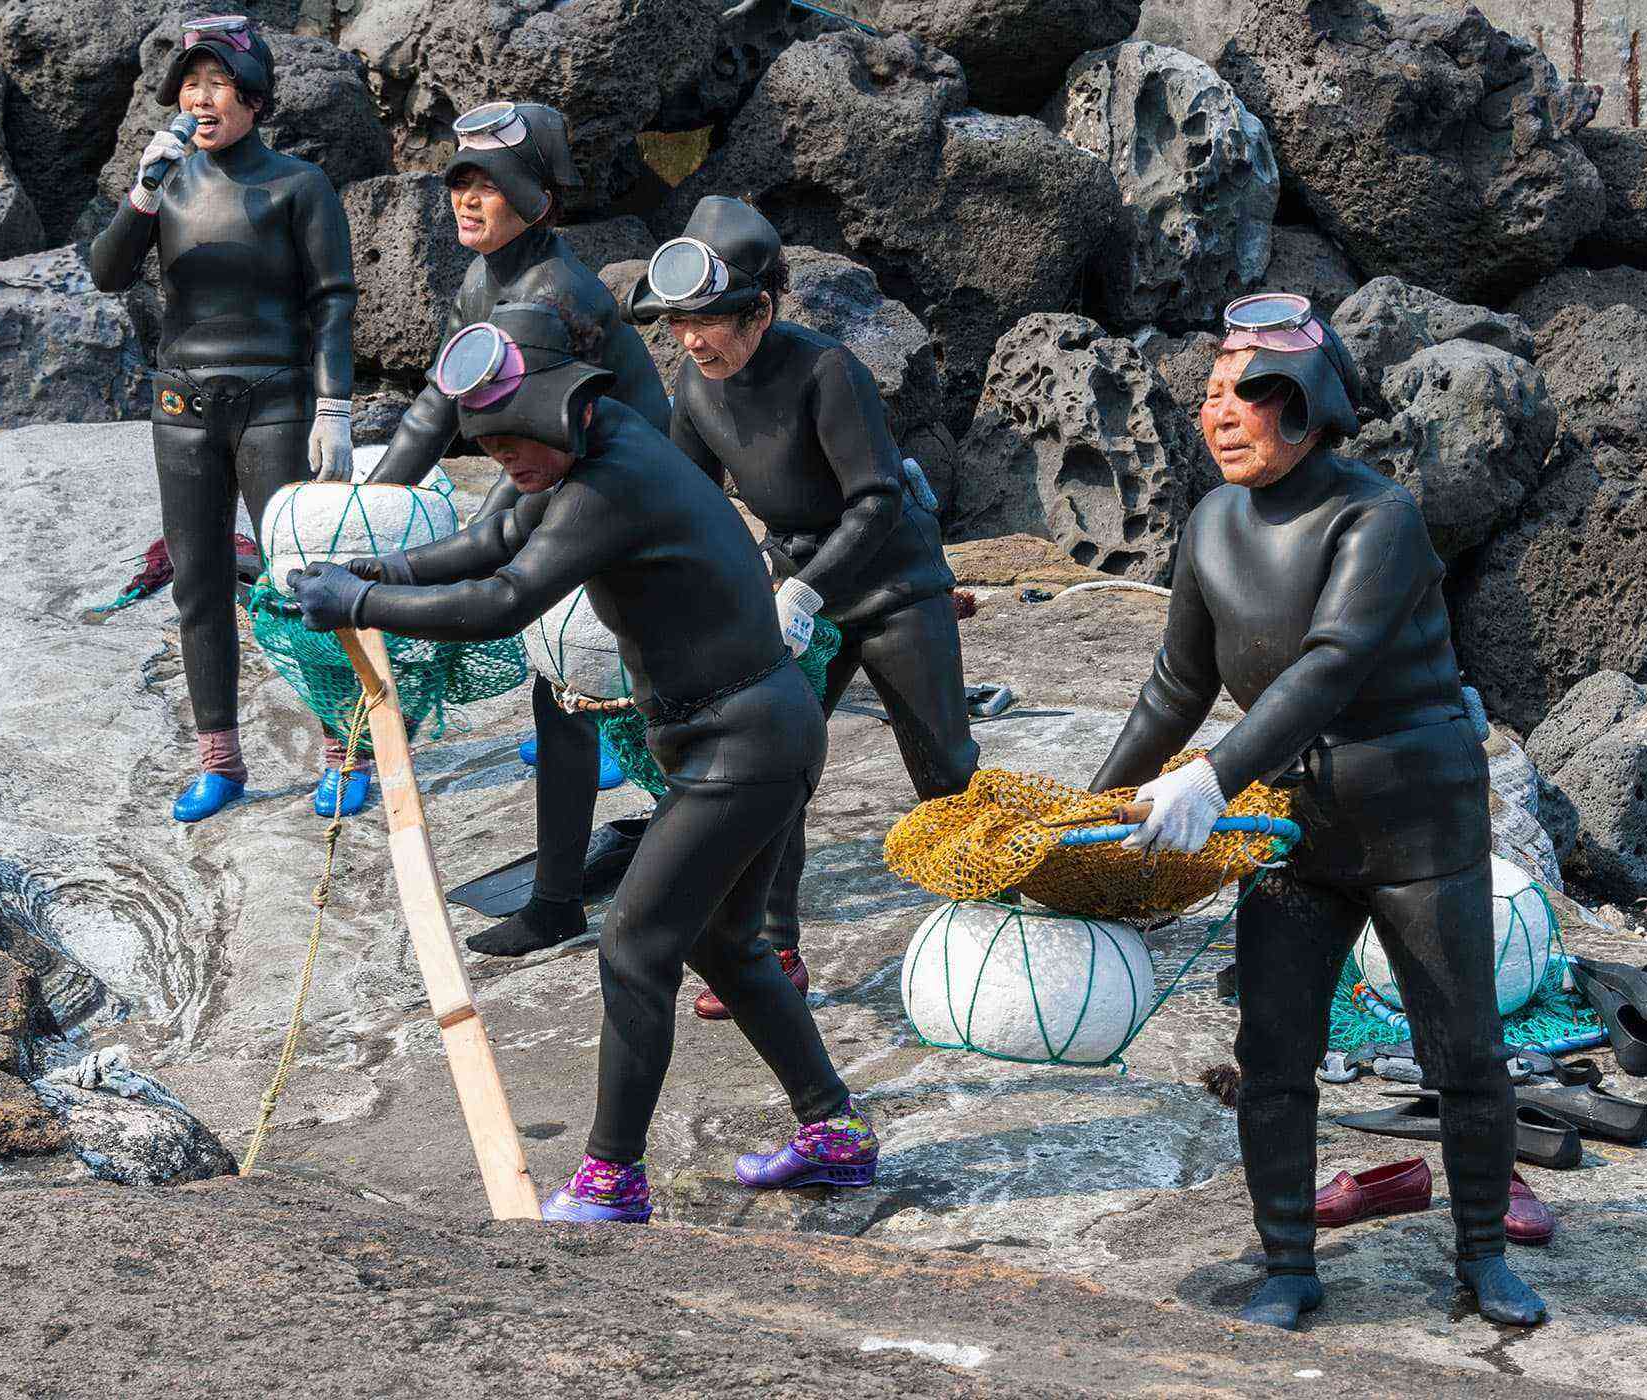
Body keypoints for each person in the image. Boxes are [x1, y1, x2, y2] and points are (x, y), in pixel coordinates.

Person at [287, 302, 880, 1221]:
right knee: (724, 943)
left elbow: (505, 596)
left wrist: (361, 601)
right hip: (734, 734)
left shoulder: (617, 482)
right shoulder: (585, 448)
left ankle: (613, 1178)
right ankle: (833, 1131)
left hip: (745, 742)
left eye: (519, 444)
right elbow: (493, 539)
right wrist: (380, 571)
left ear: (568, 409)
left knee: (634, 946)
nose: (509, 466)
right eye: (490, 452)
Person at [1088, 293, 1543, 1330]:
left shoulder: (1377, 515)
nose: (1221, 415)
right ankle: (1288, 1258)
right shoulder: (1208, 523)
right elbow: (1175, 685)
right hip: (1293, 826)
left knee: (1463, 1049)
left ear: (1308, 408)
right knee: (1274, 1049)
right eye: (1210, 396)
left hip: (1416, 819)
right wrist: (1097, 805)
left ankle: (1481, 1255)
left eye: (1250, 397)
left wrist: (1209, 778)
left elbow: (1331, 665)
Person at [623, 197, 978, 1019]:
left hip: (891, 585)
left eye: (708, 322)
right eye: (678, 324)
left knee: (944, 766)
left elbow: (878, 498)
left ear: (762, 310)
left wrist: (809, 589)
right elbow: (688, 501)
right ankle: (769, 949)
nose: (691, 340)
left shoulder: (826, 372)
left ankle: (989, 920)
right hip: (792, 592)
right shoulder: (695, 382)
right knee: (771, 773)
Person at [369, 101, 670, 958]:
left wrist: (407, 567)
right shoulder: (483, 281)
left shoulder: (553, 293)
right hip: (566, 482)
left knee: (629, 690)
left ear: (537, 200)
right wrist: (364, 508)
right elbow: (441, 402)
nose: (467, 202)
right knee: (557, 698)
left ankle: (699, 866)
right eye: (459, 184)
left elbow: (533, 465)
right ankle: (558, 898)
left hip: (627, 497)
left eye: (488, 188)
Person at [90, 15, 359, 824]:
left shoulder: (297, 185)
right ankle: (221, 761)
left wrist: (336, 406)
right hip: (181, 406)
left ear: (254, 98)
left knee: (296, 581)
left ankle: (343, 749)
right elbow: (107, 273)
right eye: (191, 85)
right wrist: (140, 191)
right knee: (200, 585)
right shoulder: (167, 180)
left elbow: (332, 300)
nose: (201, 100)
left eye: (218, 85)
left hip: (275, 402)